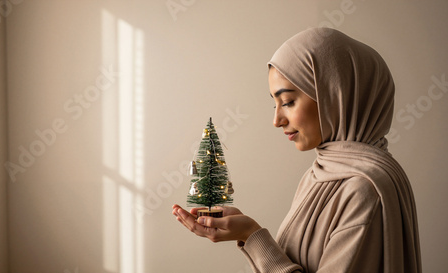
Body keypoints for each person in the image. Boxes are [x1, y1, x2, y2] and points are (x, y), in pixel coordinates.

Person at [172, 27, 421, 273]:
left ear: (336, 96)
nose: (277, 120)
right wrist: (247, 233)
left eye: (288, 102)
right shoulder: (320, 174)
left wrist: (252, 235)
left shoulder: (364, 191)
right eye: (275, 105)